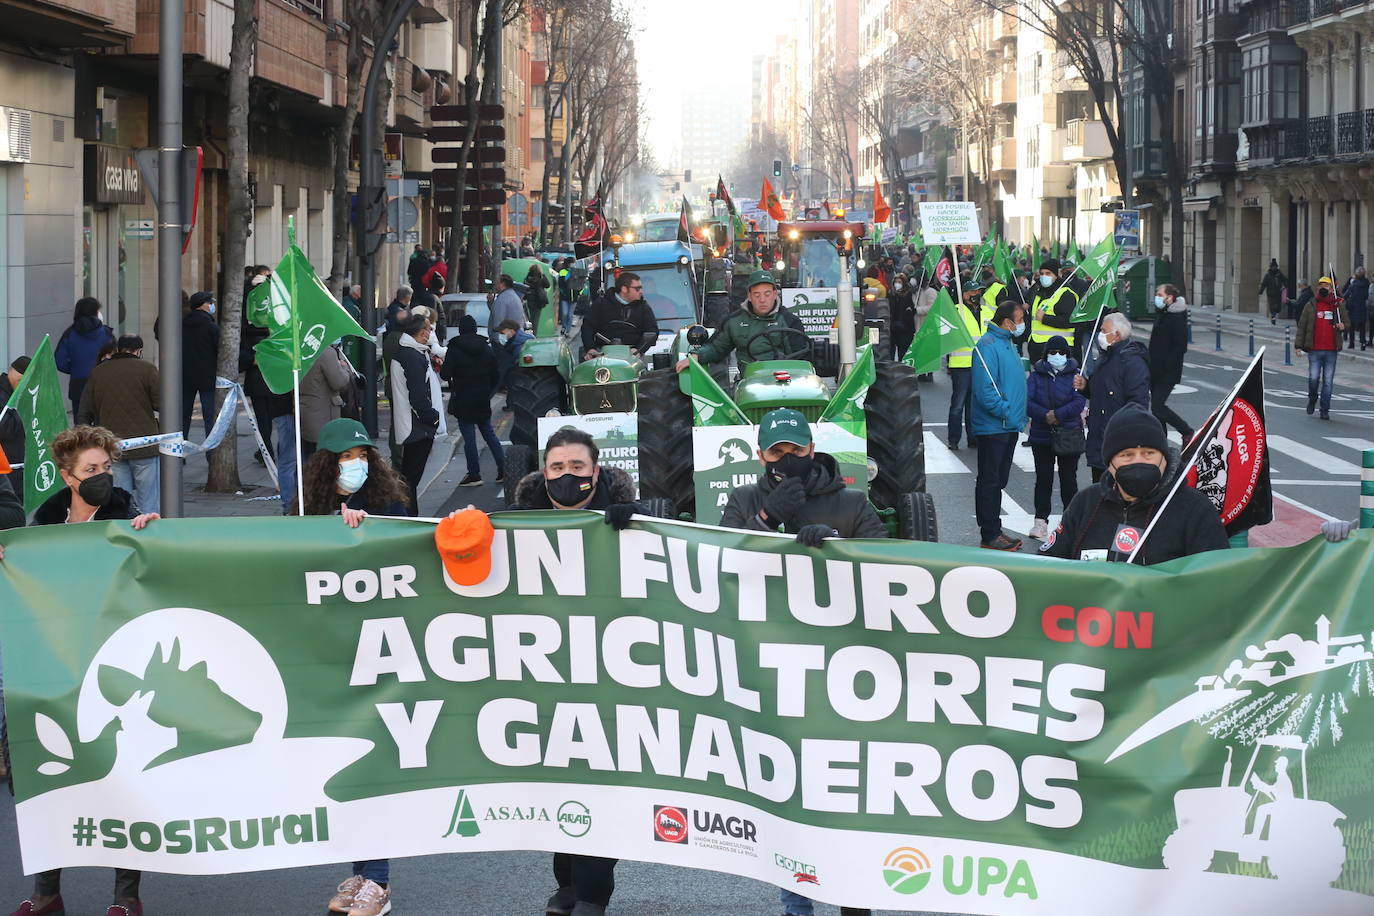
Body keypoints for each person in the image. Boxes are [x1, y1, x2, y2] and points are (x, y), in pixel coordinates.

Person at [10, 425, 157, 916]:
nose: (102, 477)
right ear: (68, 477)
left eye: (106, 468)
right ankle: (47, 891)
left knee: (121, 776)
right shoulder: (46, 520)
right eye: (91, 470)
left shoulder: (127, 513)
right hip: (55, 664)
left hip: (115, 664)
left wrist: (153, 537)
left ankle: (126, 898)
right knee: (50, 775)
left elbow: (154, 567)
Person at [507, 426, 644, 916]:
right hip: (545, 678)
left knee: (597, 786)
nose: (567, 475)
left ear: (596, 470)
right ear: (544, 472)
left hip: (611, 679)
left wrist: (640, 522)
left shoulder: (632, 521)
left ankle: (591, 895)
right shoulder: (518, 525)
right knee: (559, 788)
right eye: (558, 467)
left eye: (578, 467)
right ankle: (567, 883)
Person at [1040, 405, 1228, 564]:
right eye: (1126, 455)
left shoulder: (1196, 510)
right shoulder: (1086, 502)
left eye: (1148, 453)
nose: (1138, 462)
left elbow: (1215, 581)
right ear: (1110, 463)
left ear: (1165, 458)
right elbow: (1047, 565)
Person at [720, 408, 886, 541]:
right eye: (777, 452)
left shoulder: (852, 503)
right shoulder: (743, 498)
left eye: (797, 450)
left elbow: (883, 561)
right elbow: (721, 557)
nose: (788, 460)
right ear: (761, 456)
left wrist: (835, 543)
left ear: (812, 450)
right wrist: (765, 519)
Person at [76, 335, 161, 514]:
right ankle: (150, 532)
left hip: (111, 445)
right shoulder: (147, 369)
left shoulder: (98, 372)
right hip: (145, 444)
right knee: (149, 500)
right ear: (139, 351)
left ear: (117, 350)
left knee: (122, 499)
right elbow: (160, 404)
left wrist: (85, 440)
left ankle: (125, 531)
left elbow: (85, 409)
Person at [971, 299, 1029, 550]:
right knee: (990, 480)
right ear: (1006, 323)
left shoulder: (1006, 343)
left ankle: (995, 529)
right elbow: (986, 391)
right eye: (1019, 320)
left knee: (999, 480)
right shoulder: (987, 346)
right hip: (995, 426)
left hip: (1008, 424)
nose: (1022, 325)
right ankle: (990, 534)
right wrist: (1006, 410)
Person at [676, 270, 805, 375]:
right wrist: (696, 356)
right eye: (757, 295)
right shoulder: (734, 322)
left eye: (767, 294)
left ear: (774, 294)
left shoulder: (790, 321)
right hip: (750, 380)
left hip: (785, 378)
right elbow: (717, 347)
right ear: (749, 296)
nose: (762, 300)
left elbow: (800, 359)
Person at [1076, 312, 1150, 481]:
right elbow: (1100, 390)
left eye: (1104, 330)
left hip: (1118, 441)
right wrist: (1085, 387)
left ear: (1116, 335)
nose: (1100, 335)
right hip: (1099, 437)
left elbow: (1138, 403)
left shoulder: (1131, 361)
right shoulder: (1105, 356)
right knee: (1100, 490)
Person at [1026, 335, 1085, 541]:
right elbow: (1028, 401)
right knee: (1043, 479)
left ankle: (1071, 523)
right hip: (1042, 435)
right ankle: (1040, 522)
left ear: (1067, 354)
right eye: (1052, 352)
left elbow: (1079, 402)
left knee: (1069, 480)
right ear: (1046, 354)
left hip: (1069, 434)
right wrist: (1045, 416)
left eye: (1061, 352)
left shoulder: (1076, 375)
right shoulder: (1036, 375)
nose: (1057, 356)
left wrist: (1057, 415)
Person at [441, 315, 507, 487]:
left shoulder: (454, 348)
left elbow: (445, 374)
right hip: (482, 397)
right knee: (489, 434)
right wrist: (488, 391)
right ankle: (503, 469)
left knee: (469, 438)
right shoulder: (486, 348)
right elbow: (496, 374)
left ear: (461, 329)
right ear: (475, 329)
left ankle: (474, 474)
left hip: (463, 397)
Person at [389, 314, 442, 512]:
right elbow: (418, 397)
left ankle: (408, 515)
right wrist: (433, 418)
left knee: (408, 479)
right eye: (429, 329)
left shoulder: (407, 352)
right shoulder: (412, 357)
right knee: (409, 481)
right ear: (421, 333)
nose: (431, 332)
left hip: (411, 425)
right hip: (416, 428)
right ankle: (409, 519)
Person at [1295, 276, 1349, 420]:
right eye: (1321, 286)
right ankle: (1312, 398)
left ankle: (1325, 409)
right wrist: (1298, 345)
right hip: (1314, 349)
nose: (1323, 288)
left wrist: (1343, 326)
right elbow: (1302, 325)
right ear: (1317, 288)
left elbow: (1347, 323)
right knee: (1313, 378)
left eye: (1326, 286)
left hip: (1331, 350)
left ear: (1331, 289)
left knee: (1328, 381)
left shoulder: (1337, 305)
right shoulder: (1311, 305)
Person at [54, 297, 114, 418]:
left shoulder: (70, 333)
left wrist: (76, 367)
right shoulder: (106, 334)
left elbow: (59, 361)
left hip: (78, 385)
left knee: (81, 424)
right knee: (103, 422)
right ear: (96, 312)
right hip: (104, 382)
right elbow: (115, 357)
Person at [1148, 284, 1193, 442]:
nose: (1157, 297)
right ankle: (1161, 440)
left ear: (1170, 297)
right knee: (1156, 410)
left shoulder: (1177, 316)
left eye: (1160, 294)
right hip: (1154, 369)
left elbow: (1180, 346)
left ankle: (1186, 430)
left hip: (1167, 372)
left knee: (1157, 406)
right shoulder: (1163, 313)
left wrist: (1167, 366)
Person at [945, 284, 986, 450]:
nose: (976, 294)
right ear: (964, 294)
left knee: (975, 405)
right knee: (958, 404)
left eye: (979, 291)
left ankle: (973, 437)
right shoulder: (955, 311)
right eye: (973, 291)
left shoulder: (987, 312)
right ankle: (953, 439)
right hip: (961, 365)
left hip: (981, 364)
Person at [581, 271, 660, 358]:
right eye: (637, 288)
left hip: (632, 354)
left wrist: (638, 349)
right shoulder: (601, 304)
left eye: (641, 288)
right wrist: (590, 348)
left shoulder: (643, 307)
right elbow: (587, 327)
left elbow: (652, 330)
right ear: (624, 289)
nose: (641, 291)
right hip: (603, 353)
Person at [298, 343, 355, 458]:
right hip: (324, 414)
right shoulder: (326, 352)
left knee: (310, 458)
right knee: (325, 460)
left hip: (306, 410)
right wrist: (345, 368)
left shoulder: (302, 348)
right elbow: (338, 382)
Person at [181, 290, 221, 441]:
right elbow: (220, 350)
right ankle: (211, 455)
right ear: (202, 306)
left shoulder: (182, 325)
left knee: (183, 416)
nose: (212, 306)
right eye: (210, 303)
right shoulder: (211, 327)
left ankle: (179, 452)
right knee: (210, 417)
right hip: (208, 376)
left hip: (186, 375)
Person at [1027, 259, 1080, 364]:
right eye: (1042, 273)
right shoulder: (1040, 293)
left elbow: (1069, 321)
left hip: (1057, 351)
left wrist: (1045, 318)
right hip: (1038, 349)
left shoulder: (1066, 294)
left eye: (1048, 273)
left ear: (1056, 275)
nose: (1044, 276)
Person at [0, 356, 30, 494]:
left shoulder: (13, 393)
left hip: (16, 467)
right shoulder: (3, 395)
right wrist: (25, 413)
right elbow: (3, 427)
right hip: (7, 470)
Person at [889, 271, 916, 361]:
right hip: (892, 327)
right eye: (896, 282)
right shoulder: (891, 294)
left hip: (905, 328)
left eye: (899, 282)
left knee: (903, 352)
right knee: (890, 350)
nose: (897, 284)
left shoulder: (909, 295)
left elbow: (912, 309)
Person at [488, 274, 526, 338]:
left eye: (497, 283)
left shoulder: (502, 299)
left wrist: (496, 339)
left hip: (504, 338)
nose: (495, 286)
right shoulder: (514, 296)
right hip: (514, 336)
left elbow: (498, 319)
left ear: (502, 284)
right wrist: (491, 302)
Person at [1341, 265, 1369, 350]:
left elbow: (1346, 294)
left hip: (1353, 307)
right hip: (1362, 307)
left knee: (1352, 326)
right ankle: (1363, 343)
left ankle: (1351, 343)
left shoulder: (1354, 284)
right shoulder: (1367, 284)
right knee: (1362, 327)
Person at [1258, 258, 1287, 324]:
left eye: (1275, 267)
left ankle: (1274, 315)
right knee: (1272, 307)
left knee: (1278, 308)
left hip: (1278, 293)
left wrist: (1285, 286)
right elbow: (1264, 284)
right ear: (1271, 267)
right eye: (1273, 267)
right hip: (1271, 294)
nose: (1274, 268)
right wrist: (1261, 291)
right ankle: (1273, 317)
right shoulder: (1267, 276)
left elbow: (1285, 280)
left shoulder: (1279, 274)